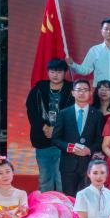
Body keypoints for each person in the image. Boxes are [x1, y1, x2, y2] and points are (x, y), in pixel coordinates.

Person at [26, 58, 71, 191]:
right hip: (42, 139)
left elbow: (73, 114)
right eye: (52, 71)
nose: (55, 75)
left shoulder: (72, 90)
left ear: (65, 73)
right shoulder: (38, 89)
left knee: (61, 177)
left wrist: (56, 130)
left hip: (64, 140)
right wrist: (45, 127)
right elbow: (32, 111)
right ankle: (46, 203)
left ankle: (62, 202)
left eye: (59, 72)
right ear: (48, 72)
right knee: (45, 177)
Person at [53, 78, 103, 195]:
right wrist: (70, 147)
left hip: (89, 165)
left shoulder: (97, 114)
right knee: (69, 198)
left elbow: (100, 139)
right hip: (68, 165)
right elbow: (55, 139)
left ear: (90, 93)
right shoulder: (64, 113)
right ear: (73, 93)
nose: (82, 93)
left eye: (85, 90)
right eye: (79, 90)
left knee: (88, 198)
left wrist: (89, 150)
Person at [67, 18, 110, 89]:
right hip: (101, 90)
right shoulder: (94, 50)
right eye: (106, 29)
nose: (109, 32)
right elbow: (85, 70)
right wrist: (72, 64)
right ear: (101, 31)